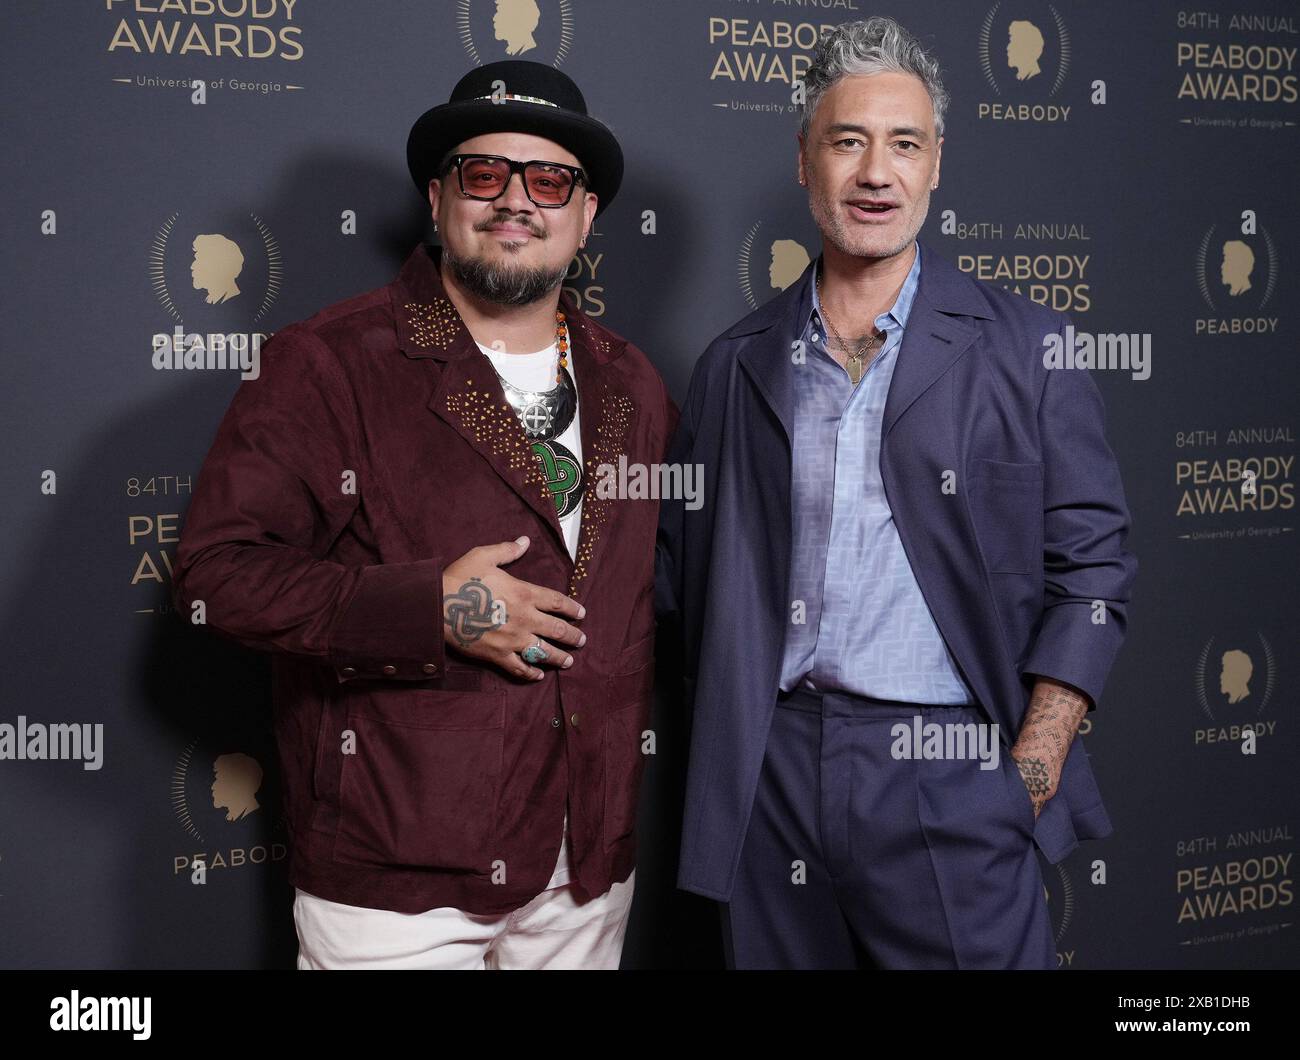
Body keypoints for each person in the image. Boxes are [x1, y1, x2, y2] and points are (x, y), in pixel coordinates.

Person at [173, 60, 677, 970]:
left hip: (585, 865)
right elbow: (217, 575)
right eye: (485, 174)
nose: (516, 200)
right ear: (439, 196)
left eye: (550, 180)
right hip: (396, 873)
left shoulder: (631, 381)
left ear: (587, 214)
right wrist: (432, 610)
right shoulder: (329, 361)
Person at [656, 17, 1137, 969]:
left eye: (904, 143)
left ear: (936, 164)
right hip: (773, 776)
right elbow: (681, 581)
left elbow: (1095, 570)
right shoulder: (733, 365)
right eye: (848, 141)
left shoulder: (1032, 350)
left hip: (951, 771)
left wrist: (1028, 772)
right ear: (805, 160)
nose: (876, 171)